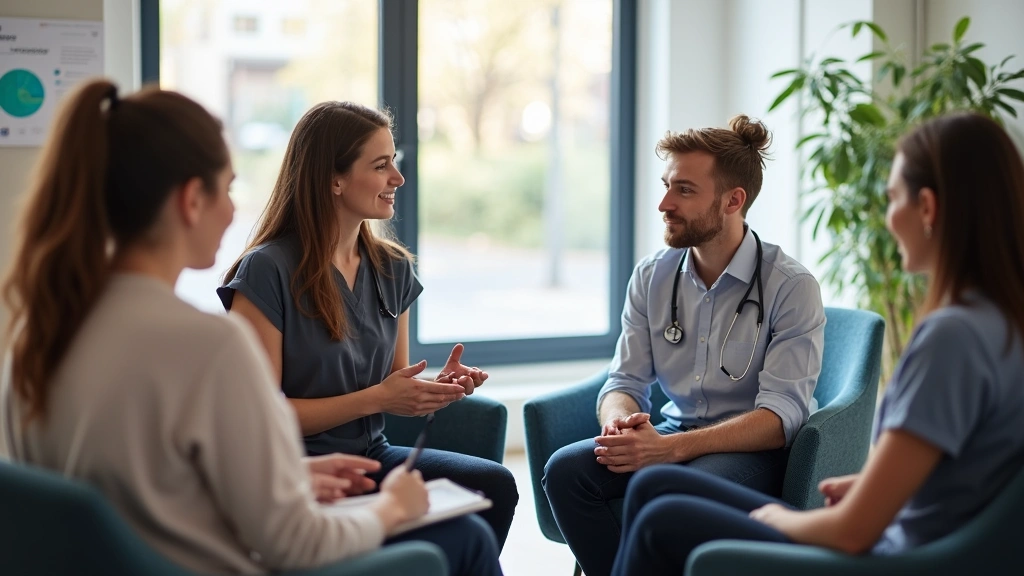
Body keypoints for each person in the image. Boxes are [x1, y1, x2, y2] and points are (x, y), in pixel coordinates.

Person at [0, 79, 502, 576]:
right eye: (228, 187)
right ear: (191, 200)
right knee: (466, 539)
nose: (234, 209)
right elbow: (294, 544)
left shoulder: (33, 335)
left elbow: (142, 484)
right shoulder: (211, 344)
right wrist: (391, 507)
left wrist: (289, 477)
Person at [608, 112, 1024, 575]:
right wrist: (872, 485)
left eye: (891, 199)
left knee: (661, 515)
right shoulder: (1003, 323)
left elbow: (851, 531)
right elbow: (970, 467)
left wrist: (784, 519)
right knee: (652, 490)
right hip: (935, 539)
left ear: (926, 209)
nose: (887, 219)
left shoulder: (952, 338)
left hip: (895, 558)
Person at [217, 101, 518, 549]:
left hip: (371, 458)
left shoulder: (393, 268)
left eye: (393, 162)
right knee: (463, 531)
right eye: (381, 165)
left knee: (493, 485)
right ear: (333, 179)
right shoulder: (268, 271)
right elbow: (263, 417)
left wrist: (434, 388)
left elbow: (391, 385)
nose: (397, 178)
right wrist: (378, 397)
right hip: (297, 470)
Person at [542, 115, 826, 576]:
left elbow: (779, 419)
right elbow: (624, 380)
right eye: (666, 185)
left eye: (684, 191)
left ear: (734, 200)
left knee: (666, 487)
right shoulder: (652, 275)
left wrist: (668, 451)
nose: (663, 203)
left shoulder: (790, 286)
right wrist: (621, 427)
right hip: (672, 433)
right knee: (566, 472)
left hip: (750, 451)